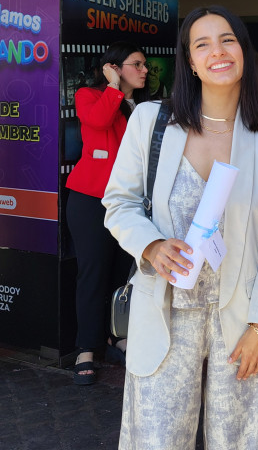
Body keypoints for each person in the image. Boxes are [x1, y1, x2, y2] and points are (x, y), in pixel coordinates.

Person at [102, 6, 258, 449]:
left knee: (244, 439)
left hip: (240, 318)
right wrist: (150, 246)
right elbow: (118, 203)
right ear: (189, 60)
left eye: (227, 39)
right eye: (201, 44)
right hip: (165, 312)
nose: (217, 52)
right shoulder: (151, 121)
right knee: (158, 439)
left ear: (243, 50)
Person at [65, 41, 148, 385]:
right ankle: (86, 349)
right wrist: (113, 88)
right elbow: (98, 122)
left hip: (127, 202)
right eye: (137, 64)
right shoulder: (89, 96)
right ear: (114, 67)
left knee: (121, 275)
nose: (145, 70)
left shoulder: (143, 106)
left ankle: (117, 337)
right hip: (90, 199)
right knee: (93, 274)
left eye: (145, 65)